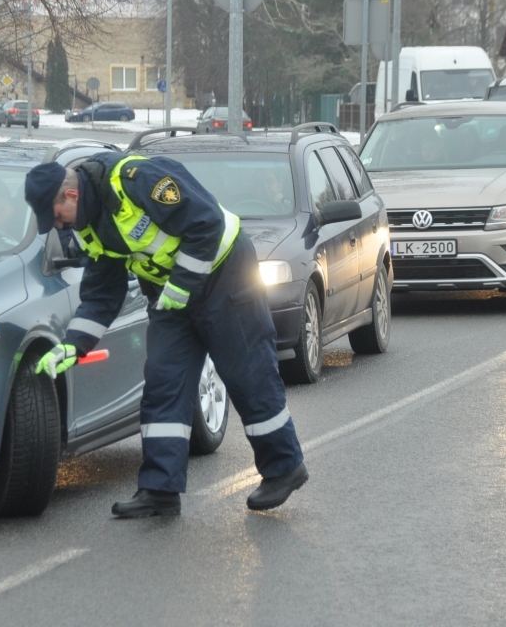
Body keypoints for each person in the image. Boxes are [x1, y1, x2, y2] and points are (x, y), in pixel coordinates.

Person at [25, 152, 307, 518]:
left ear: (71, 196)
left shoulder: (136, 179)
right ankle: (160, 489)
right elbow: (101, 297)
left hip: (225, 274)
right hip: (171, 296)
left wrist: (180, 287)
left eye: (57, 216)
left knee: (248, 373)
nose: (60, 227)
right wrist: (70, 346)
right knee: (163, 382)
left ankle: (285, 469)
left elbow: (206, 223)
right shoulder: (90, 226)